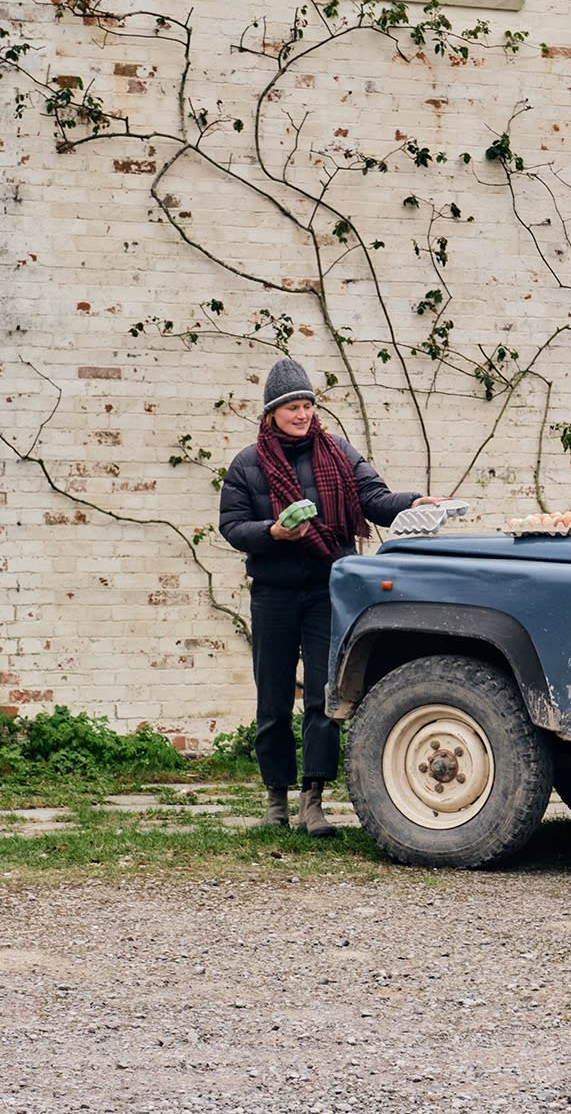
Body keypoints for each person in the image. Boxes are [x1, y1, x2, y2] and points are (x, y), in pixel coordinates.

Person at [219, 356, 441, 835]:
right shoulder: (247, 464)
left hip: (326, 591)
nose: (301, 414)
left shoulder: (338, 452)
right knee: (273, 701)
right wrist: (272, 532)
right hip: (274, 595)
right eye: (291, 407)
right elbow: (232, 526)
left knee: (324, 698)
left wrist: (412, 502)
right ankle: (275, 800)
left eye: (306, 405)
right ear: (271, 413)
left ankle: (312, 802)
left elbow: (374, 499)